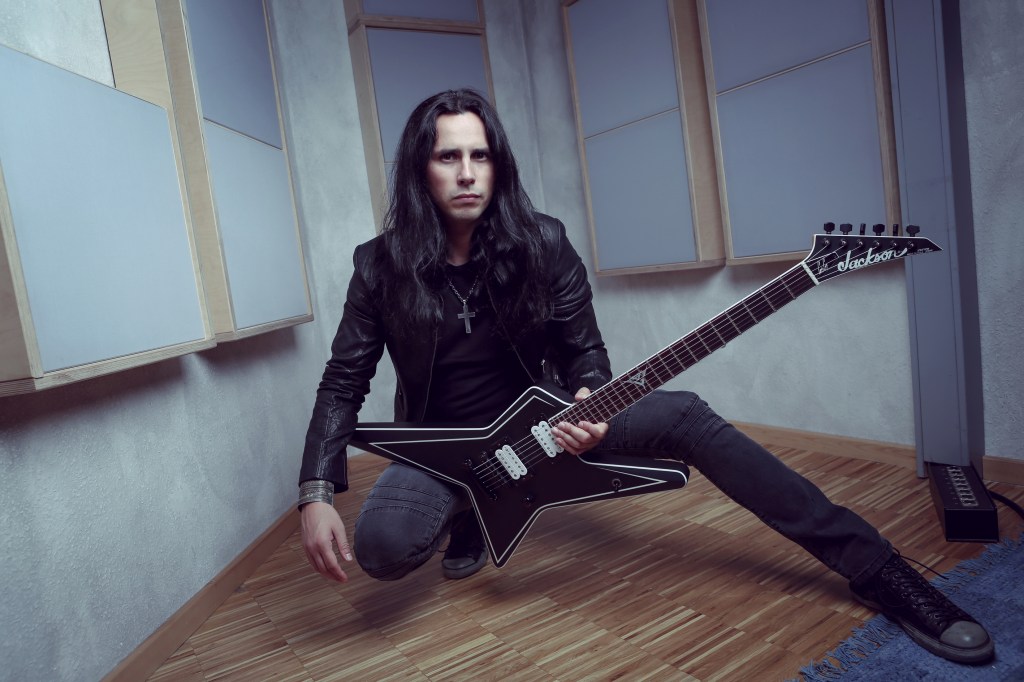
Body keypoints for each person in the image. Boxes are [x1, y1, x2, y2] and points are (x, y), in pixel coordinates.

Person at [297, 89, 993, 665]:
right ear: (420, 170)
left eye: (480, 155)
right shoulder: (378, 265)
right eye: (448, 156)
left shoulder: (543, 242)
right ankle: (470, 510)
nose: (467, 172)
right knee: (384, 549)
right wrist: (317, 492)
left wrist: (590, 399)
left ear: (498, 165)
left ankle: (880, 571)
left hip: (545, 422)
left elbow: (585, 352)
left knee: (686, 413)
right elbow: (343, 381)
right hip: (445, 446)